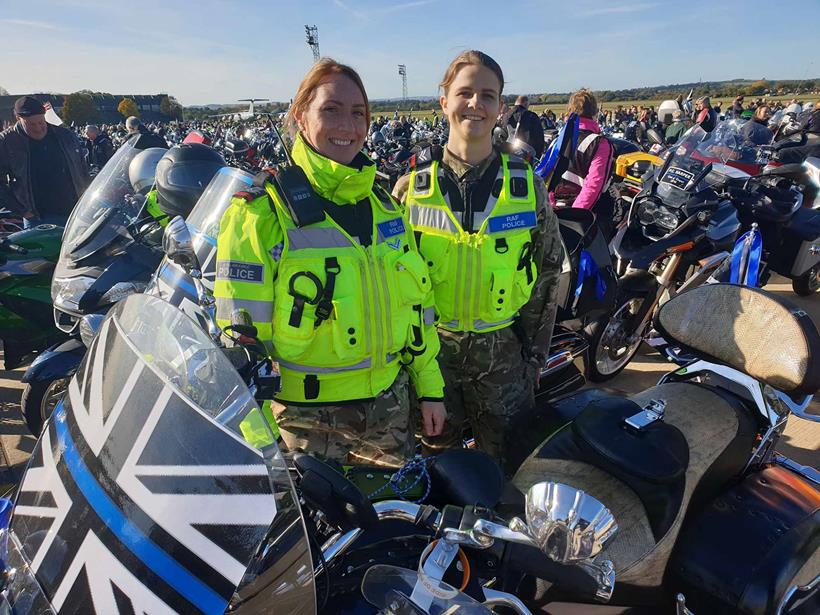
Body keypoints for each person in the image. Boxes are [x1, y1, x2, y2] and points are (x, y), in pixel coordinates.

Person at [214, 58, 446, 467]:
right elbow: (240, 344)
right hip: (305, 427)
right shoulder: (260, 215)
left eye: (359, 114)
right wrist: (259, 443)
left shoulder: (388, 210)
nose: (347, 126)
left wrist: (431, 390)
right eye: (331, 110)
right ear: (301, 117)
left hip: (390, 412)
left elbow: (419, 315)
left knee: (393, 527)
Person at [393, 50, 563, 471]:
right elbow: (390, 281)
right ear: (443, 101)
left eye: (487, 95)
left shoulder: (527, 186)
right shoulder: (410, 189)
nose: (475, 104)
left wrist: (535, 356)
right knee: (439, 470)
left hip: (503, 356)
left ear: (501, 107)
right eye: (464, 92)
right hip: (430, 359)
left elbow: (547, 269)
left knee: (507, 470)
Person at [0, 96, 89, 227]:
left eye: (41, 122)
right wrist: (21, 210)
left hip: (75, 210)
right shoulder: (6, 142)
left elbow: (82, 168)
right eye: (31, 124)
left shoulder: (64, 135)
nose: (38, 128)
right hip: (37, 217)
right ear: (18, 119)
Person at [551, 89, 615, 231]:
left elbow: (547, 176)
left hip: (554, 210)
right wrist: (575, 216)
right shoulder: (600, 143)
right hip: (582, 216)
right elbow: (594, 185)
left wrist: (551, 207)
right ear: (594, 112)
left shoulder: (558, 139)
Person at [506, 95, 546, 159]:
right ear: (526, 103)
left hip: (508, 152)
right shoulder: (528, 115)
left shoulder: (506, 115)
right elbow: (525, 135)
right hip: (528, 155)